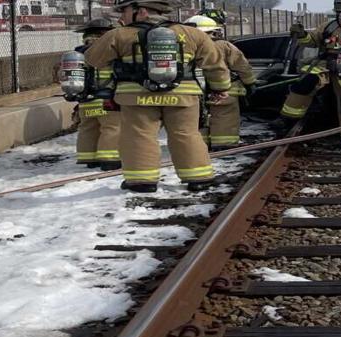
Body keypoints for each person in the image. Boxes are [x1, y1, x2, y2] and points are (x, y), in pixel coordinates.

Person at [85, 0, 231, 193]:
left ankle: (141, 181)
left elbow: (91, 59)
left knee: (139, 135)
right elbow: (215, 65)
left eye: (125, 11)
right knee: (186, 134)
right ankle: (199, 177)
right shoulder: (192, 33)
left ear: (142, 11)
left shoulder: (119, 34)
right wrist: (220, 88)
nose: (122, 17)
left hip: (135, 97)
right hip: (183, 97)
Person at [269, 0, 341, 136]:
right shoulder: (330, 26)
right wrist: (303, 35)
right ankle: (286, 119)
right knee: (305, 84)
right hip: (325, 65)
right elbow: (313, 41)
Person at [184, 14, 256, 150]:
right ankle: (224, 146)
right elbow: (241, 65)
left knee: (200, 118)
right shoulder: (222, 45)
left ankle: (200, 147)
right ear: (213, 31)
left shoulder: (184, 47)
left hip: (194, 90)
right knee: (225, 116)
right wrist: (250, 83)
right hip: (224, 90)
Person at [72, 17, 122, 170]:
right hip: (107, 99)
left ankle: (88, 158)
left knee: (87, 128)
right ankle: (110, 159)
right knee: (112, 128)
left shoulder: (79, 53)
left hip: (85, 100)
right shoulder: (110, 52)